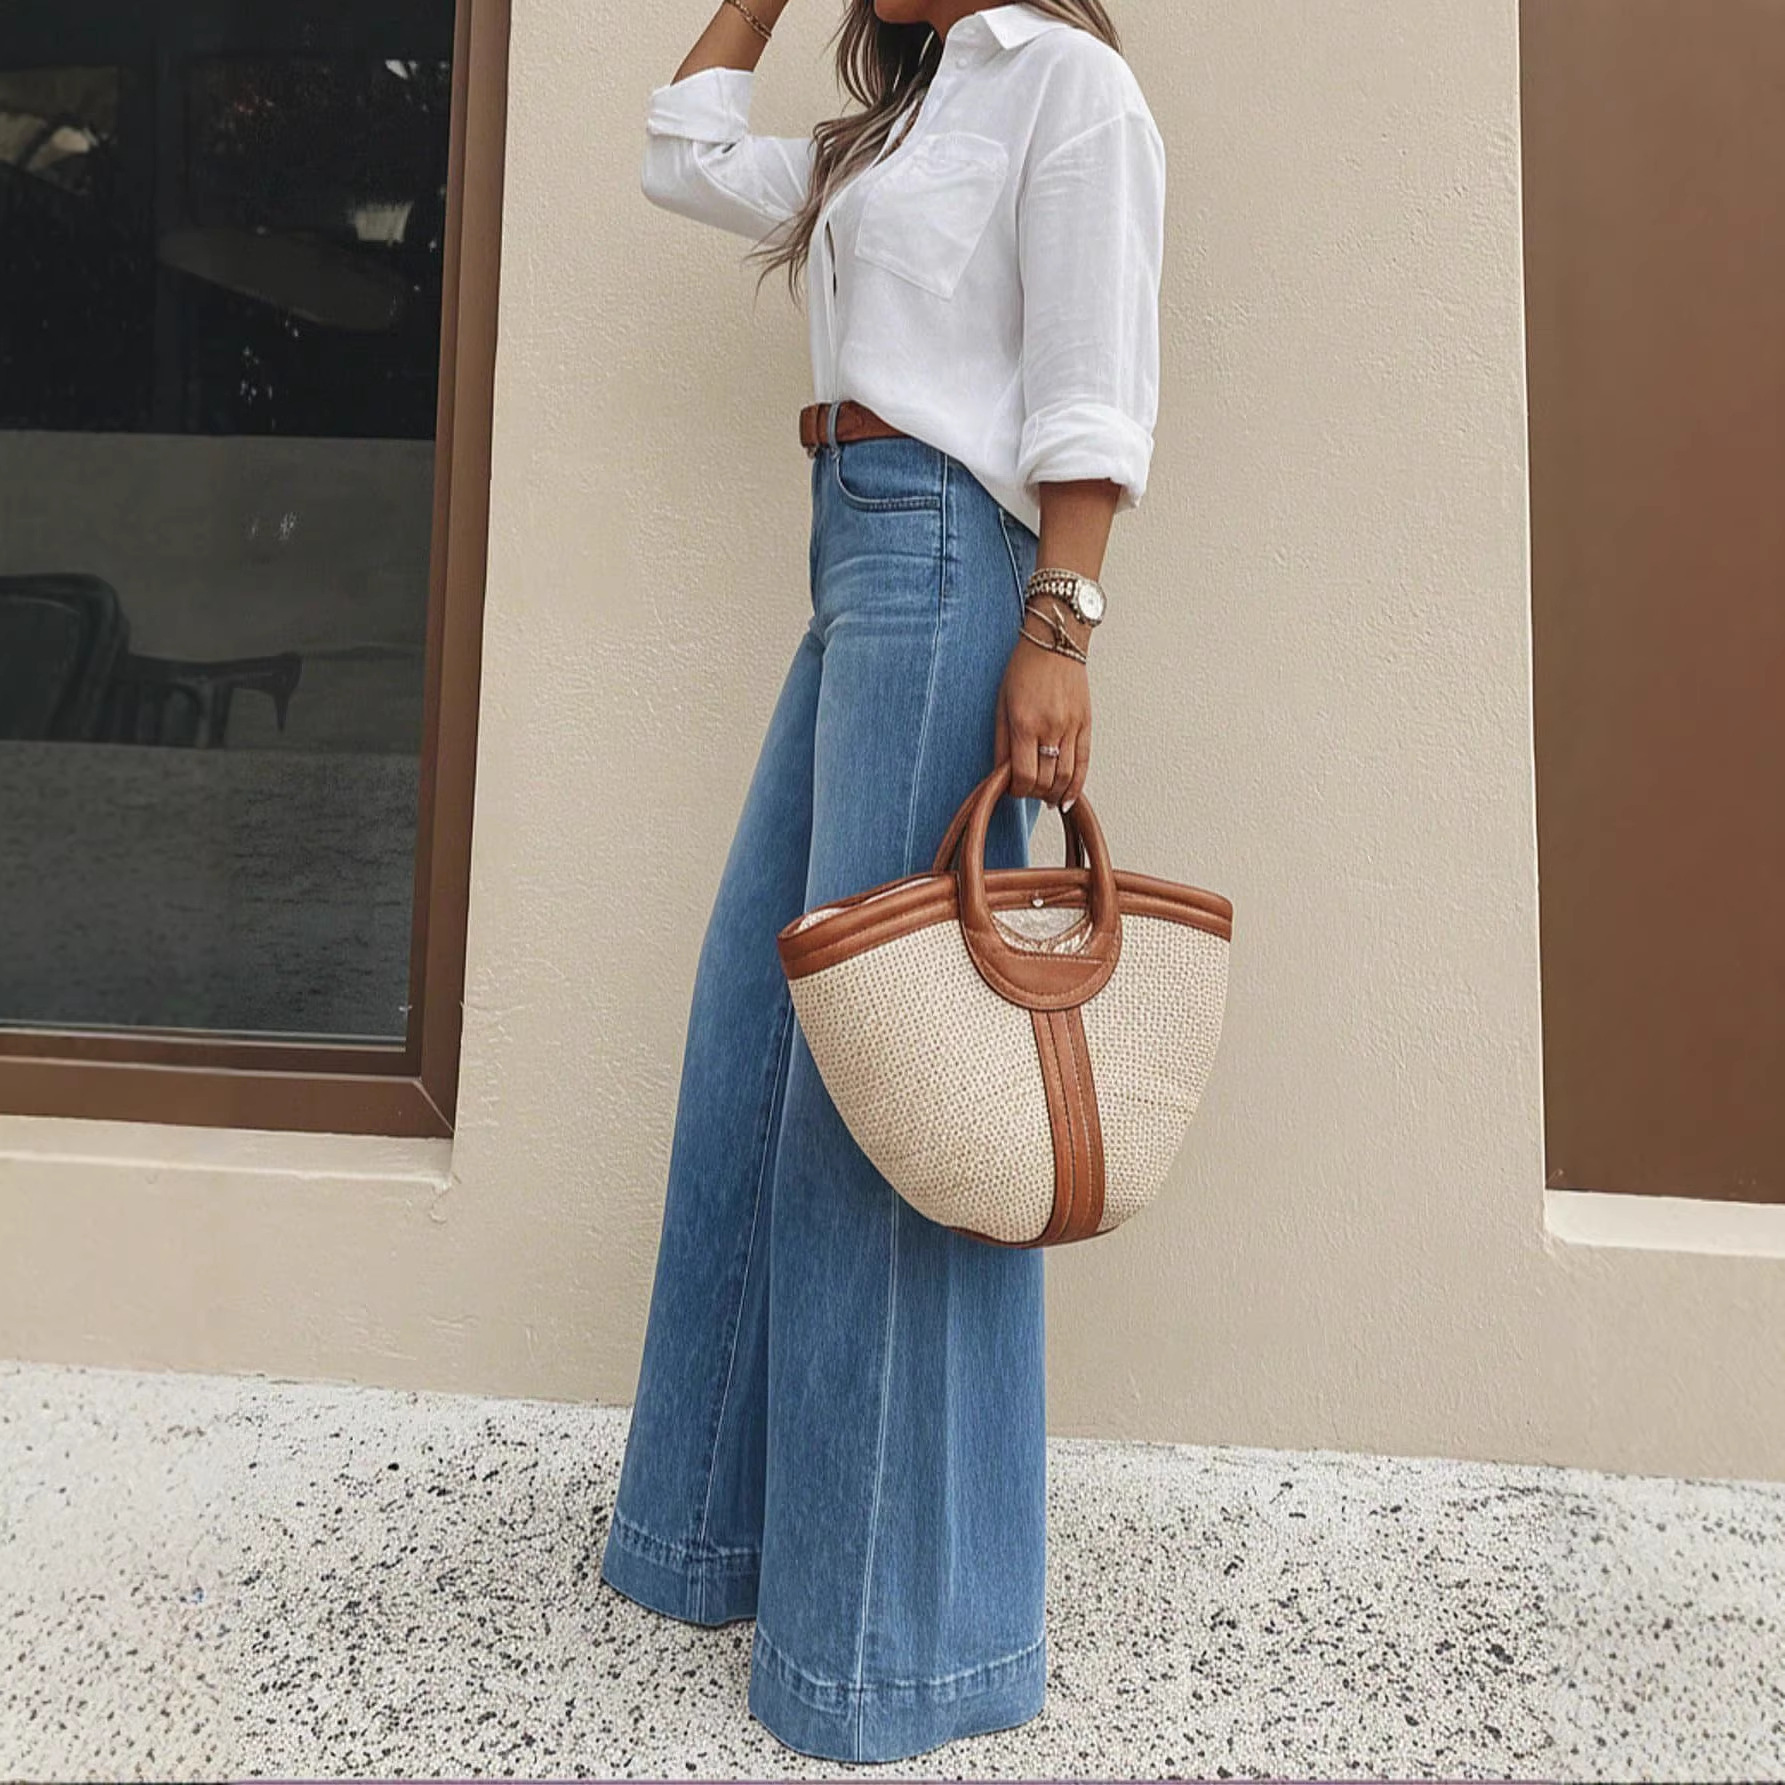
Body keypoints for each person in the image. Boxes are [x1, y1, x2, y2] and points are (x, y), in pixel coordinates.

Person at [598, 0, 1165, 1764]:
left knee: (891, 1075)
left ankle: (895, 1646)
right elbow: (682, 155)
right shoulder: (899, 123)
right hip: (854, 564)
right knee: (762, 1032)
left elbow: (1090, 376)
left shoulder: (1065, 87)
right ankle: (723, 1539)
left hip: (949, 559)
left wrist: (1059, 626)